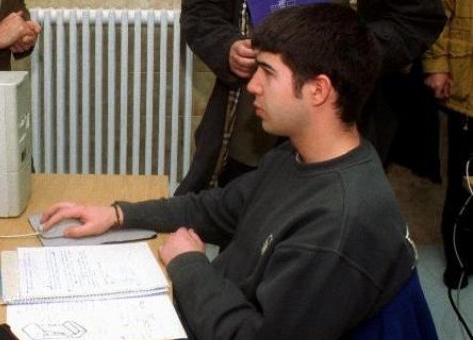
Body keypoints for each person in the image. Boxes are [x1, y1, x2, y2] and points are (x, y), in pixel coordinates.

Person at [40, 4, 417, 338]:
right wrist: (119, 214)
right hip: (214, 303)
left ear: (318, 90)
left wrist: (189, 266)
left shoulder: (337, 226)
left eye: (267, 73)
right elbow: (216, 209)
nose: (251, 85)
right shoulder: (294, 157)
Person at [175, 0, 446, 195]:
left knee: (329, 224)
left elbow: (418, 18)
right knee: (244, 228)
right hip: (252, 128)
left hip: (339, 125)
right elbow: (201, 13)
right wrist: (227, 47)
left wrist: (348, 50)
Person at [422, 0, 473, 289]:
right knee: (465, 185)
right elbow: (436, 18)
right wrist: (437, 67)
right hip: (468, 96)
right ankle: (459, 264)